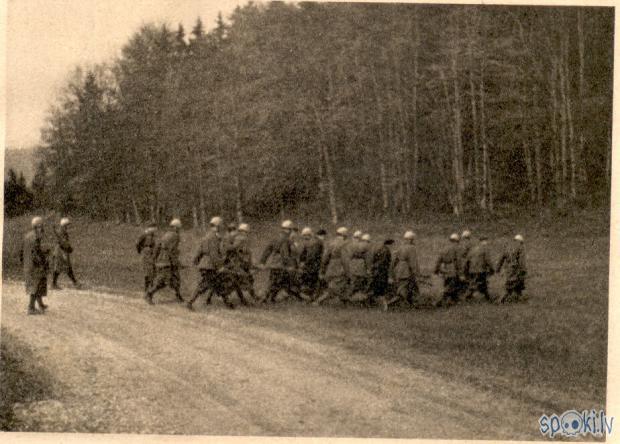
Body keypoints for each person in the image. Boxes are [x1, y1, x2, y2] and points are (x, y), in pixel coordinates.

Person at [187, 216, 233, 310]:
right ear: (218, 226)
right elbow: (214, 254)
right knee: (204, 285)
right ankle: (189, 302)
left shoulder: (206, 236)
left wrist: (196, 261)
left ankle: (228, 303)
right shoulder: (213, 238)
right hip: (210, 266)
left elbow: (199, 251)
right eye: (221, 226)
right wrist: (220, 266)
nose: (222, 228)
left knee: (219, 283)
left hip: (206, 265)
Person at [259, 220, 303, 303]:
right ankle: (264, 298)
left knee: (277, 281)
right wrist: (289, 265)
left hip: (274, 262)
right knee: (275, 282)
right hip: (281, 264)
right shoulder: (286, 240)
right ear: (287, 230)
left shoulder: (276, 238)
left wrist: (262, 261)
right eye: (290, 230)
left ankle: (270, 298)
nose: (291, 232)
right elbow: (285, 254)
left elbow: (268, 250)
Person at [145, 218, 184, 305]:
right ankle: (149, 294)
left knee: (175, 278)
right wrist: (176, 263)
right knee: (162, 280)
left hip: (162, 260)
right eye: (178, 228)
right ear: (176, 228)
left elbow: (158, 246)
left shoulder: (166, 235)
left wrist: (154, 258)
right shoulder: (175, 236)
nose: (179, 230)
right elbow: (172, 251)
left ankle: (178, 295)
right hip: (166, 261)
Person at [313, 227, 351, 306]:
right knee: (335, 287)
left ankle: (346, 302)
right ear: (344, 235)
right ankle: (318, 301)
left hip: (330, 267)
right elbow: (345, 260)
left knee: (339, 286)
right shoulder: (344, 244)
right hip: (339, 268)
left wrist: (322, 270)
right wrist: (348, 272)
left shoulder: (331, 243)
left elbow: (325, 258)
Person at [21, 216, 50, 315]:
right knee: (36, 285)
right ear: (37, 226)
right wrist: (43, 261)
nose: (42, 228)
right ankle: (31, 308)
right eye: (41, 226)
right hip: (35, 265)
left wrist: (24, 263)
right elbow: (36, 253)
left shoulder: (27, 236)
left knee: (39, 283)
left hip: (27, 265)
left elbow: (21, 251)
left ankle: (40, 304)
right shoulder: (36, 237)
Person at [226, 222, 256, 305]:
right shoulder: (241, 238)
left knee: (247, 280)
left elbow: (246, 252)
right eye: (246, 231)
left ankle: (251, 297)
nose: (246, 233)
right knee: (243, 280)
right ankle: (248, 298)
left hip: (243, 262)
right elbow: (233, 248)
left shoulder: (242, 238)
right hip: (240, 263)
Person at [391, 230, 420, 307]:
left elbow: (395, 260)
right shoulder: (412, 248)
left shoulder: (401, 247)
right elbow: (413, 262)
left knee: (407, 287)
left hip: (399, 270)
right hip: (406, 271)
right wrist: (416, 272)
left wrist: (393, 271)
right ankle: (391, 303)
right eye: (412, 239)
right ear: (410, 239)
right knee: (406, 289)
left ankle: (411, 303)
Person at [496, 234, 527, 303]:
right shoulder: (520, 247)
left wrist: (498, 268)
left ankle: (520, 298)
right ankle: (500, 300)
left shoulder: (507, 247)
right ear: (521, 241)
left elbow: (501, 258)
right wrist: (523, 270)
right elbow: (522, 261)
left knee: (519, 283)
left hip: (507, 269)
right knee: (510, 284)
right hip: (516, 269)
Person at [51, 217, 81, 289]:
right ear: (64, 225)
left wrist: (68, 248)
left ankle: (54, 284)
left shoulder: (62, 232)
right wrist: (69, 248)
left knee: (60, 268)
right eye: (67, 225)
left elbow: (63, 242)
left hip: (60, 251)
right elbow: (62, 243)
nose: (68, 226)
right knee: (66, 268)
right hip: (61, 252)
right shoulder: (62, 232)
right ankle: (75, 283)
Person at [464, 234, 494, 302]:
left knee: (481, 284)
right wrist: (492, 269)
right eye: (486, 240)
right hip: (480, 270)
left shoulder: (473, 249)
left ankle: (488, 298)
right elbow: (488, 260)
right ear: (484, 241)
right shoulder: (485, 249)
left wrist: (466, 270)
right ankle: (467, 297)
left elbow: (467, 260)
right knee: (477, 284)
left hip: (472, 270)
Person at [434, 233, 461, 307]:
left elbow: (439, 260)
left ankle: (453, 301)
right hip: (452, 268)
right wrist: (460, 271)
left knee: (448, 284)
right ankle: (440, 301)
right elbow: (458, 260)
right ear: (456, 241)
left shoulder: (444, 248)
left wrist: (436, 270)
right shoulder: (456, 248)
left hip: (445, 268)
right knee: (451, 285)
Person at [368, 238, 394, 311]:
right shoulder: (386, 251)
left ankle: (381, 306)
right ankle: (384, 307)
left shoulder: (380, 249)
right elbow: (383, 263)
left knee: (378, 290)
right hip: (382, 272)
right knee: (381, 291)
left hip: (377, 272)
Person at [298, 227, 324, 300]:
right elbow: (306, 255)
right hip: (313, 265)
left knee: (310, 281)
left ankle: (310, 296)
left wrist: (303, 263)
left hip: (310, 265)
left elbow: (304, 255)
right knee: (311, 281)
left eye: (305, 236)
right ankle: (311, 296)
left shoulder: (312, 242)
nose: (304, 238)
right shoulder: (317, 242)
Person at [345, 230, 371, 302]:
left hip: (352, 264)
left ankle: (350, 297)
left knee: (353, 282)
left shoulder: (350, 245)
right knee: (360, 282)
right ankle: (355, 298)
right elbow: (367, 257)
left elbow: (349, 256)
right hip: (361, 265)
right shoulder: (364, 245)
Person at [136, 223, 157, 292]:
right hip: (146, 252)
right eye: (153, 227)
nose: (155, 229)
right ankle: (146, 288)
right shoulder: (144, 234)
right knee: (147, 271)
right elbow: (137, 243)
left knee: (152, 271)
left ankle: (150, 287)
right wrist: (140, 251)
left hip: (152, 253)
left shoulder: (152, 235)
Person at [458, 229, 473, 300]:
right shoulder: (471, 243)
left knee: (464, 278)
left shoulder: (465, 244)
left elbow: (463, 253)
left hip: (465, 263)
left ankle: (464, 293)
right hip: (470, 263)